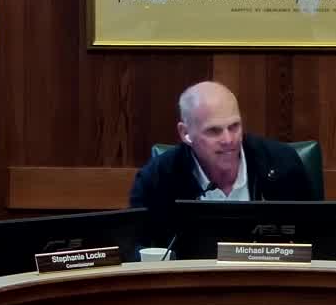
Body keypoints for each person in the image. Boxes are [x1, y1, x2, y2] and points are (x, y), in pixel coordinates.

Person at [128, 81, 316, 246]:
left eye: (234, 127)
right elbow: (138, 250)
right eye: (214, 131)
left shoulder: (282, 164)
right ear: (185, 133)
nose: (228, 140)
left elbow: (315, 240)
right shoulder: (156, 179)